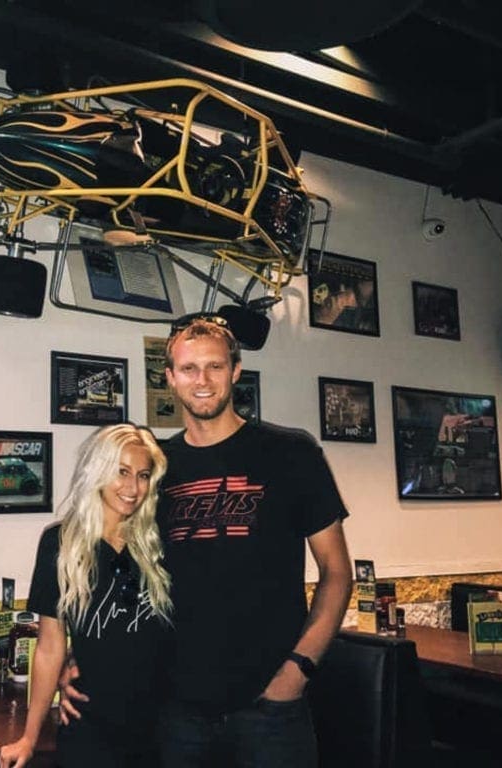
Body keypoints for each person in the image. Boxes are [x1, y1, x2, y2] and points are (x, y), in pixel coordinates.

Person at [62, 314, 353, 768]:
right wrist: (84, 659)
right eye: (189, 369)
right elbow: (119, 571)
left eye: (215, 367)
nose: (203, 380)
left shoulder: (291, 453)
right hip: (176, 707)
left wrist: (298, 670)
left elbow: (337, 572)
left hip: (271, 706)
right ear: (170, 378)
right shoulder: (155, 468)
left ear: (236, 372)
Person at [0, 423, 173, 768]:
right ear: (99, 471)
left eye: (142, 475)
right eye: (121, 472)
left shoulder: (160, 540)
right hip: (91, 726)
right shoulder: (60, 544)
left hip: (164, 725)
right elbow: (50, 647)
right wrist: (29, 738)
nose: (132, 487)